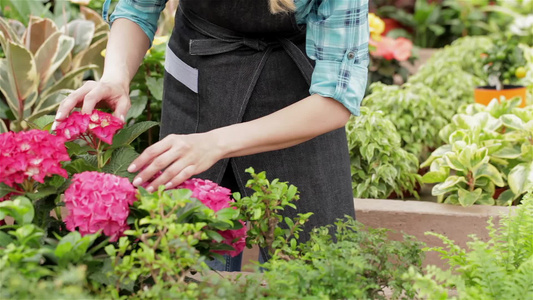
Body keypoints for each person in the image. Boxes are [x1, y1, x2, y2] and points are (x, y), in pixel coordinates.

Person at [54, 0, 369, 271]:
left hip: (297, 105)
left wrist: (214, 143)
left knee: (317, 264)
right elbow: (138, 6)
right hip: (199, 73)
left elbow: (335, 100)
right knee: (185, 263)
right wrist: (116, 76)